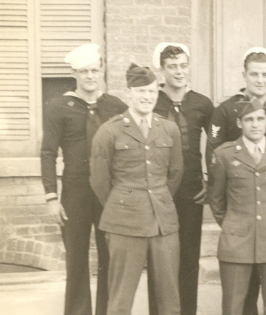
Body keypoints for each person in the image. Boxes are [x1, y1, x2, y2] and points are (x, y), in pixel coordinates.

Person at [208, 47, 266, 315]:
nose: (260, 80)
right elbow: (216, 183)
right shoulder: (226, 110)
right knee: (239, 302)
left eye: (265, 75)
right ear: (244, 75)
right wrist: (234, 220)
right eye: (254, 74)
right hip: (239, 217)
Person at [90, 63, 184, 315]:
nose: (147, 97)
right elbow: (99, 181)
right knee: (121, 298)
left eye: (151, 91)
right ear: (128, 93)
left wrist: (159, 199)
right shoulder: (109, 131)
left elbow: (175, 173)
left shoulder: (169, 129)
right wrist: (123, 203)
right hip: (124, 222)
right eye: (141, 91)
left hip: (163, 222)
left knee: (169, 298)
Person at [41, 43, 127, 315]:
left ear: (101, 71)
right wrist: (51, 197)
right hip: (75, 192)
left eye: (94, 70)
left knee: (109, 258)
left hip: (108, 193)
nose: (90, 76)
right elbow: (48, 153)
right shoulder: (58, 107)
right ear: (74, 74)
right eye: (84, 71)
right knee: (76, 260)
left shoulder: (116, 106)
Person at [147, 42, 214, 315]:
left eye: (183, 66)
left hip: (191, 191)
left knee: (188, 257)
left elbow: (216, 143)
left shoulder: (202, 103)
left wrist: (210, 179)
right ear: (162, 70)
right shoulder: (152, 100)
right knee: (158, 258)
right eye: (172, 66)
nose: (179, 71)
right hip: (159, 191)